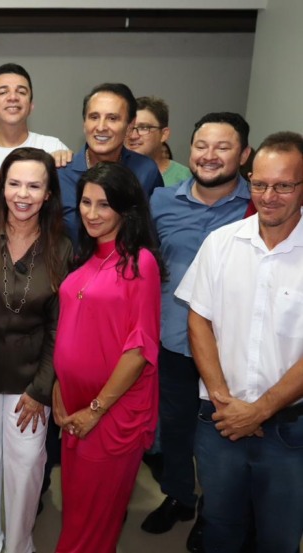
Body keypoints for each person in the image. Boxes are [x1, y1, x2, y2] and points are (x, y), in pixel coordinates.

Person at [175, 131, 303, 553]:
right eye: (260, 184)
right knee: (220, 527)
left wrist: (261, 410)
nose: (269, 196)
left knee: (279, 538)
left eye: (283, 186)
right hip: (220, 421)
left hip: (291, 431)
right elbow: (199, 320)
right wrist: (222, 399)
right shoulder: (221, 243)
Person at [143, 112, 253, 544]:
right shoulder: (159, 201)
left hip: (233, 351)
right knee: (175, 429)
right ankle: (179, 497)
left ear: (244, 154)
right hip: (173, 340)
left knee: (223, 437)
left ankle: (216, 509)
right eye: (201, 146)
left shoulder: (259, 205)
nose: (209, 156)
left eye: (223, 147)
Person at [0, 147, 72, 553]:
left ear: (48, 193)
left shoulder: (61, 247)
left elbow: (60, 326)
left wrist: (42, 387)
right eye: (14, 184)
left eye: (34, 186)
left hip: (31, 382)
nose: (23, 195)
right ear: (1, 187)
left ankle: (19, 545)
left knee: (26, 469)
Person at [53, 162, 165, 553]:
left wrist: (96, 408)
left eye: (104, 205)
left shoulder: (139, 262)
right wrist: (58, 387)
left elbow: (139, 348)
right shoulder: (85, 258)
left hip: (112, 411)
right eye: (86, 202)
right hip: (74, 405)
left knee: (92, 522)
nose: (91, 213)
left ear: (125, 209)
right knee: (79, 510)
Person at [58, 83, 164, 242]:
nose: (101, 127)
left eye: (112, 118)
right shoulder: (61, 173)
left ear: (130, 126)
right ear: (84, 123)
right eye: (94, 117)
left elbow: (153, 234)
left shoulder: (145, 171)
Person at [0, 63, 68, 170]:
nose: (13, 97)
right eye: (3, 92)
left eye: (21, 92)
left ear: (31, 106)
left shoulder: (53, 148)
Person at [125, 96, 192, 187]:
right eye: (129, 128)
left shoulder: (185, 179)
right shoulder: (111, 172)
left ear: (164, 134)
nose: (133, 136)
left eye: (144, 128)